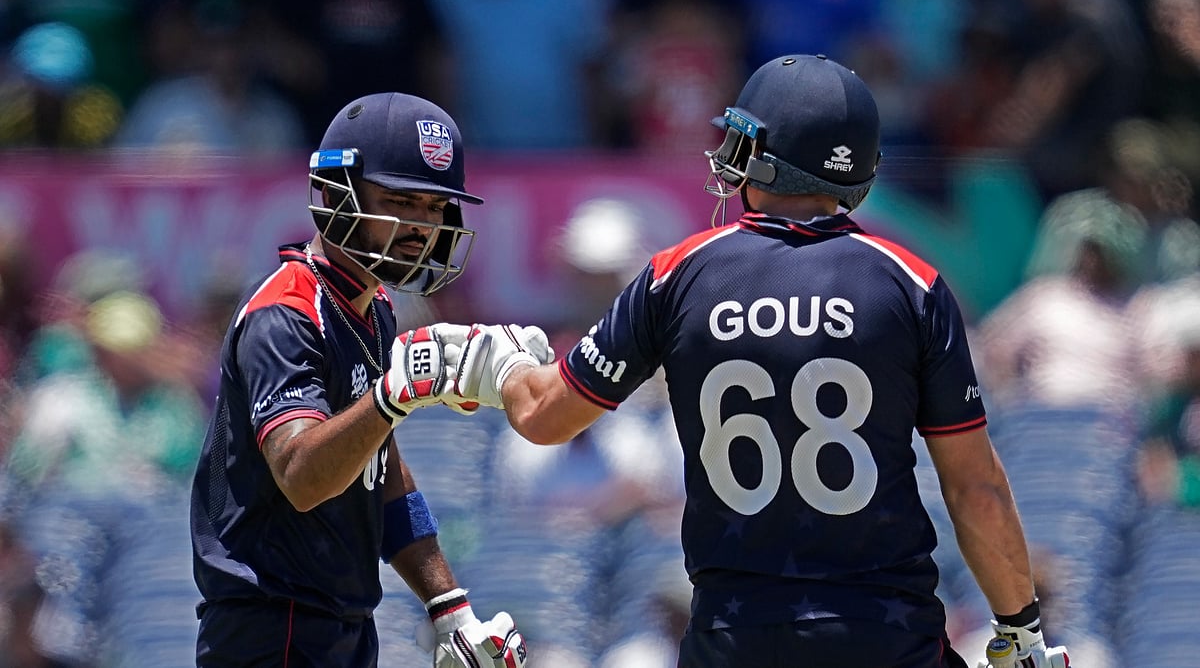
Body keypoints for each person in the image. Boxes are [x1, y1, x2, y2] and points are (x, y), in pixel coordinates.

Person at [438, 55, 1070, 667]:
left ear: (764, 154)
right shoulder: (912, 285)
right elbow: (975, 488)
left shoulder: (675, 274)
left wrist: (502, 367)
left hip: (733, 632)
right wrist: (1021, 629)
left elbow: (546, 419)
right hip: (882, 631)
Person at [188, 92, 528, 667]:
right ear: (337, 192)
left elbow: (380, 468)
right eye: (400, 201)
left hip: (341, 627)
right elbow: (301, 474)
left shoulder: (374, 308)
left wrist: (449, 608)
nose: (422, 226)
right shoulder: (286, 314)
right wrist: (394, 394)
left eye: (434, 205)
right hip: (272, 627)